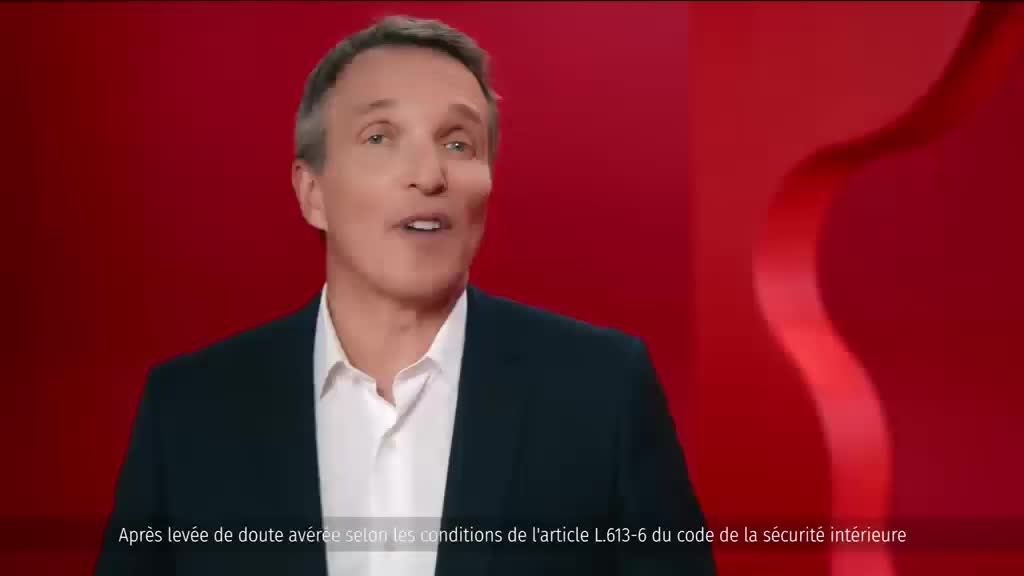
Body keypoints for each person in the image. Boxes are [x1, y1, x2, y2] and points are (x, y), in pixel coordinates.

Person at [96, 14, 715, 576]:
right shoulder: (190, 410)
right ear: (313, 194)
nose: (429, 174)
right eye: (379, 137)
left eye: (458, 143)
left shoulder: (601, 391)